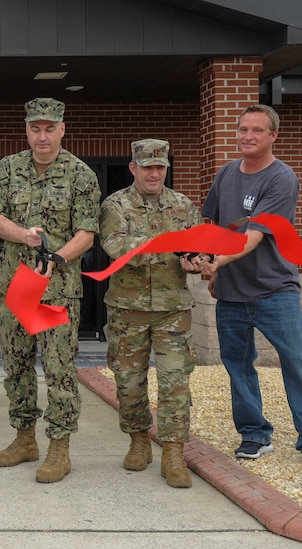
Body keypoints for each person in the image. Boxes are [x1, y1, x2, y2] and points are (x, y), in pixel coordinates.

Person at [200, 104, 302, 470]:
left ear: (273, 136)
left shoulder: (282, 178)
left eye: (257, 131)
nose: (248, 136)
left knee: (294, 363)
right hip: (231, 293)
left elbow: (251, 238)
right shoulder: (226, 173)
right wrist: (208, 262)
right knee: (237, 364)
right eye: (243, 129)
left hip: (275, 290)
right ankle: (254, 434)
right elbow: (219, 225)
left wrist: (217, 262)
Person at [0, 98, 100, 483]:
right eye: (35, 128)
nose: (42, 136)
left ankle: (59, 448)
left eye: (49, 128)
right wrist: (27, 237)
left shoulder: (81, 175)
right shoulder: (6, 169)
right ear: (27, 130)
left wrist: (55, 258)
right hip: (16, 285)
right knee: (16, 366)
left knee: (58, 368)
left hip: (57, 289)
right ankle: (24, 439)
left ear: (62, 129)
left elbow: (86, 234)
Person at [100, 139, 202, 488]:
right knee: (129, 382)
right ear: (134, 168)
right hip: (128, 309)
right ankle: (139, 439)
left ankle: (173, 451)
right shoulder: (116, 205)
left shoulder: (184, 206)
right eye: (147, 167)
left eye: (160, 167)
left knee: (176, 382)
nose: (154, 173)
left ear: (166, 168)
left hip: (173, 310)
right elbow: (117, 247)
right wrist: (169, 247)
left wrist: (196, 261)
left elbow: (196, 250)